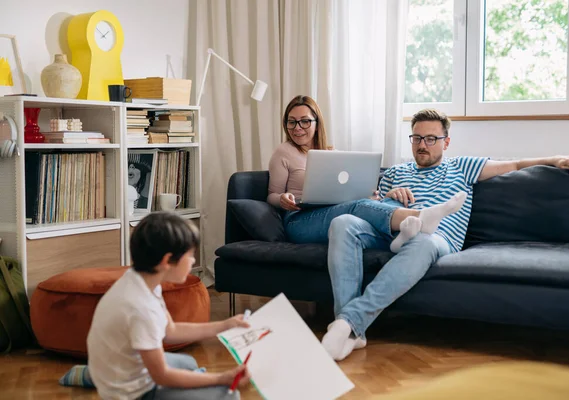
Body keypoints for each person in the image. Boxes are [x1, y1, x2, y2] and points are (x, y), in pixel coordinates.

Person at [321, 108, 569, 361]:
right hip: (390, 231)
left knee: (422, 242)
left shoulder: (462, 166)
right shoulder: (394, 172)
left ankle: (348, 322)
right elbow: (372, 205)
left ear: (446, 142)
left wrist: (555, 159)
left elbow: (516, 164)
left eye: (430, 138)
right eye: (416, 138)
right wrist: (389, 196)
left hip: (437, 237)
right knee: (343, 222)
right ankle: (352, 332)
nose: (422, 145)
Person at [87, 212, 251, 400]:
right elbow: (162, 376)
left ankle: (92, 374)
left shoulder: (141, 280)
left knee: (188, 363)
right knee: (228, 395)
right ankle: (94, 376)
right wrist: (221, 378)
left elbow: (170, 330)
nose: (193, 262)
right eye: (190, 255)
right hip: (133, 394)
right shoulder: (140, 308)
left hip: (118, 367)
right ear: (167, 261)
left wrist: (225, 326)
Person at [268, 95, 468, 247]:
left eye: (304, 121)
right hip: (300, 221)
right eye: (291, 122)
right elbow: (271, 196)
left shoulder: (331, 154)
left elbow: (344, 192)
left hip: (329, 212)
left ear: (316, 123)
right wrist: (283, 199)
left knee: (371, 202)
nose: (297, 128)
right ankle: (421, 217)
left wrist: (367, 195)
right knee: (356, 207)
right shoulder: (283, 152)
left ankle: (404, 234)